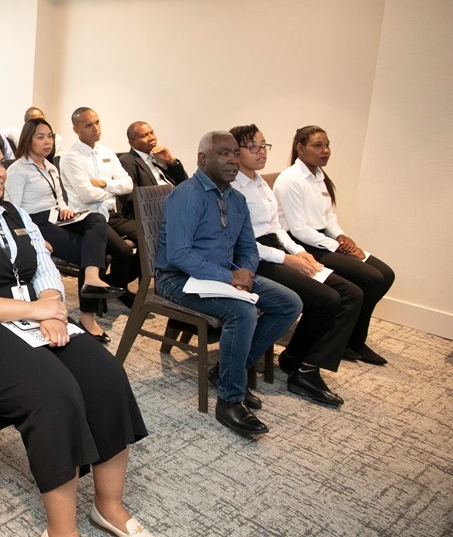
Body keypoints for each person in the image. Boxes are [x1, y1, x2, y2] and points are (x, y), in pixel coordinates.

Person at [0, 132, 152, 537]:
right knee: (54, 393)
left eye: (1, 163)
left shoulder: (13, 214)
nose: (0, 172)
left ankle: (107, 505)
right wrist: (36, 310)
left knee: (106, 377)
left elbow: (44, 266)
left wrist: (54, 311)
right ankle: (61, 530)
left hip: (34, 316)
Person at [155, 131, 302, 436]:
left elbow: (248, 246)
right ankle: (229, 400)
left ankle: (223, 371)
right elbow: (179, 254)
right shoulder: (188, 194)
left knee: (290, 303)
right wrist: (229, 278)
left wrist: (245, 275)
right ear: (202, 159)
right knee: (243, 313)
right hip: (178, 278)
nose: (233, 159)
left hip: (224, 275)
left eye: (235, 153)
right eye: (223, 153)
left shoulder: (236, 198)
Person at [228, 125, 360, 407]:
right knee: (325, 299)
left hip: (277, 247)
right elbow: (243, 243)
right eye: (253, 146)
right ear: (235, 152)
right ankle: (302, 368)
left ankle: (301, 361)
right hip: (255, 258)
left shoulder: (261, 183)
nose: (261, 152)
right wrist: (286, 259)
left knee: (350, 294)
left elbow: (278, 228)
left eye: (264, 145)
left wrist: (300, 252)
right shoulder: (232, 187)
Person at [274, 125, 396, 365]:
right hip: (303, 243)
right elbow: (298, 229)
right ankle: (351, 341)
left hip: (323, 239)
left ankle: (352, 338)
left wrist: (342, 238)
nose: (325, 150)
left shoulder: (320, 176)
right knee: (370, 279)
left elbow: (329, 218)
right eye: (318, 145)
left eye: (327, 145)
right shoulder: (290, 180)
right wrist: (335, 245)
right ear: (300, 148)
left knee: (386, 274)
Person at [4, 117, 123, 341]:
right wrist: (33, 239)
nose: (47, 142)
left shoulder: (50, 167)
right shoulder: (18, 170)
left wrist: (66, 209)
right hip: (35, 222)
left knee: (97, 219)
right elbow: (13, 211)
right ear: (28, 140)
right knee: (91, 254)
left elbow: (59, 199)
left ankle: (91, 278)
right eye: (40, 137)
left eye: (49, 136)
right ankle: (88, 317)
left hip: (56, 218)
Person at [58, 107, 137, 294]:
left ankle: (115, 284)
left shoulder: (107, 151)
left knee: (148, 238)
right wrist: (112, 191)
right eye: (88, 125)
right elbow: (87, 196)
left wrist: (103, 184)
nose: (95, 128)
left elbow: (128, 185)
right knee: (124, 252)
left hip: (111, 214)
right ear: (76, 129)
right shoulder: (71, 157)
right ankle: (119, 290)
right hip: (88, 216)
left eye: (97, 122)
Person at [118, 121, 187, 221]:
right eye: (144, 135)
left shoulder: (159, 156)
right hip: (152, 215)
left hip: (177, 207)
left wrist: (171, 161)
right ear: (132, 142)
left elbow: (184, 182)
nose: (151, 138)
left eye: (152, 133)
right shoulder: (127, 161)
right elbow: (131, 200)